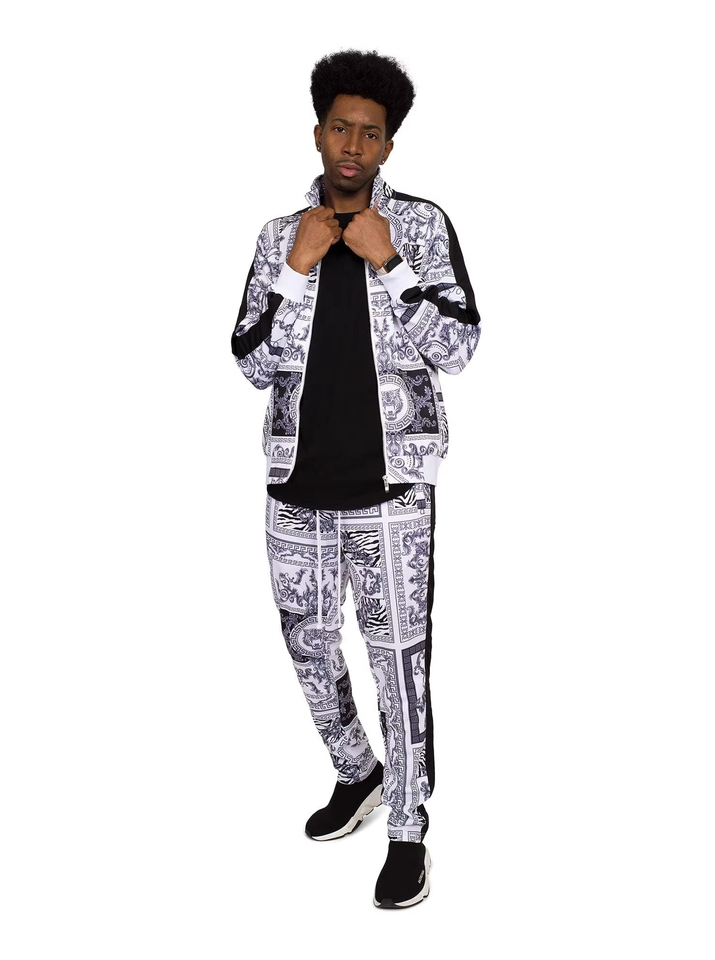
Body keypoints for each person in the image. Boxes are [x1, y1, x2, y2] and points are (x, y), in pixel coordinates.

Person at [231, 48, 481, 909]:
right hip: (294, 490)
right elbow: (252, 364)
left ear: (387, 147)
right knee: (308, 648)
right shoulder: (278, 238)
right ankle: (357, 771)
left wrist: (392, 265)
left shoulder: (420, 227)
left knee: (397, 663)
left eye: (370, 134)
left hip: (392, 492)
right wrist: (295, 271)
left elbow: (459, 347)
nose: (352, 145)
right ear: (318, 133)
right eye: (341, 127)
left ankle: (408, 828)